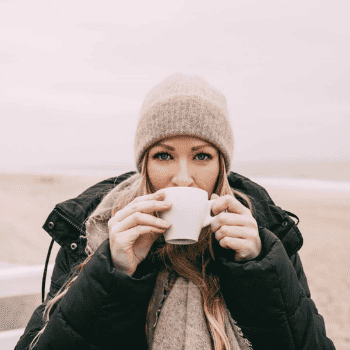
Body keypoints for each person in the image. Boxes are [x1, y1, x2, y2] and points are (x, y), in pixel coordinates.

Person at [15, 73, 335, 350]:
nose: (183, 177)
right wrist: (113, 271)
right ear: (144, 165)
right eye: (164, 156)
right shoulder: (92, 232)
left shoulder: (263, 233)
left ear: (222, 166)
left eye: (201, 156)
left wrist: (258, 268)